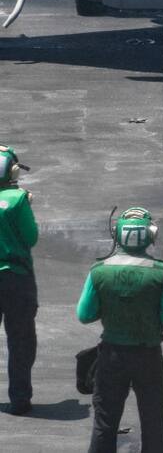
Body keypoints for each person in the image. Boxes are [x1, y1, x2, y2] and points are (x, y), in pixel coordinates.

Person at [77, 207, 163, 453]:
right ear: (150, 235)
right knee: (154, 421)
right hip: (148, 356)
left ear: (117, 235)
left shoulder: (99, 271)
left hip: (111, 356)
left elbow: (85, 314)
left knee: (105, 421)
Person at [0, 144, 36, 415]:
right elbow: (31, 237)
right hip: (16, 277)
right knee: (20, 340)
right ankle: (19, 398)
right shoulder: (17, 200)